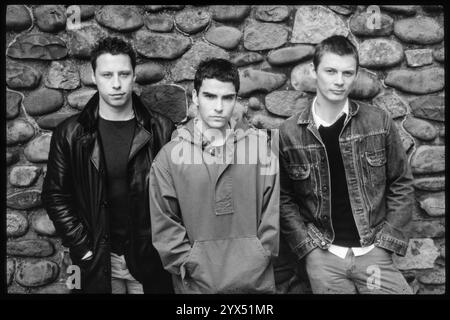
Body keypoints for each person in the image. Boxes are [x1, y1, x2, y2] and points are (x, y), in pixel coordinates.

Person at [278, 35, 414, 294]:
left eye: (347, 73)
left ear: (355, 75)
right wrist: (308, 250)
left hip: (373, 255)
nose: (339, 81)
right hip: (324, 258)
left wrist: (385, 244)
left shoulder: (377, 122)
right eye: (330, 71)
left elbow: (401, 182)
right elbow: (284, 199)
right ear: (313, 71)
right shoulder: (289, 133)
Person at [42, 37, 175, 294]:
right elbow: (55, 195)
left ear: (134, 76)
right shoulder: (69, 133)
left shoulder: (162, 129)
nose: (116, 84)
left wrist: (163, 248)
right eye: (107, 74)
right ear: (93, 76)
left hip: (149, 260)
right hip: (99, 260)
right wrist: (83, 246)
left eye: (124, 74)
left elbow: (179, 196)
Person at [149, 58, 279, 294]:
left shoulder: (260, 150)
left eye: (227, 98)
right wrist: (186, 264)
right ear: (195, 97)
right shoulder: (169, 157)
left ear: (236, 99)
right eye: (210, 96)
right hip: (195, 285)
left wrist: (262, 255)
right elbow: (164, 223)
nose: (219, 107)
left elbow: (273, 215)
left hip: (255, 284)